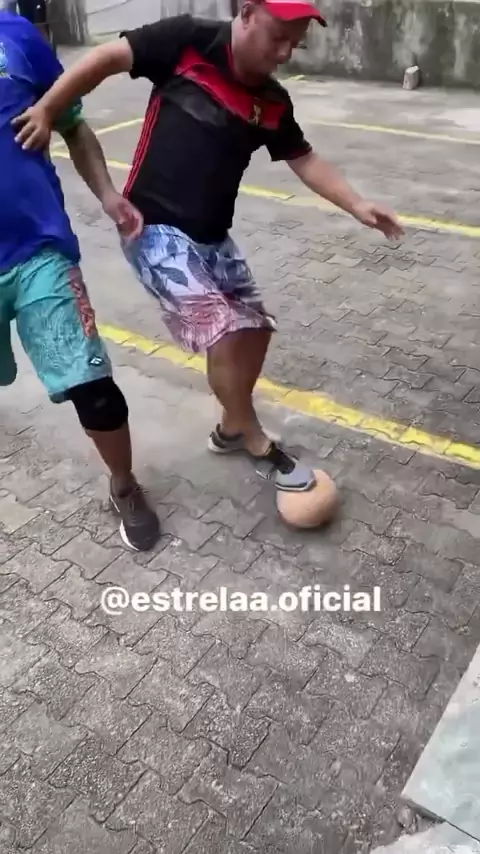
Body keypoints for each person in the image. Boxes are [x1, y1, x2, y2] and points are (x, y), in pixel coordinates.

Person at [13, 0, 405, 494]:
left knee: (256, 330)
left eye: (295, 44)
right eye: (278, 37)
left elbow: (304, 159)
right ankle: (253, 435)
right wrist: (49, 108)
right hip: (153, 230)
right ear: (247, 13)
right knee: (223, 332)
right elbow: (106, 58)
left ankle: (230, 425)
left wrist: (357, 204)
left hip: (214, 238)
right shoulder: (187, 41)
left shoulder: (272, 101)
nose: (285, 53)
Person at [0, 9, 161, 550]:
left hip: (39, 252)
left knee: (93, 388)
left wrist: (109, 196)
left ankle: (124, 484)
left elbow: (72, 124)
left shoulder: (17, 37)